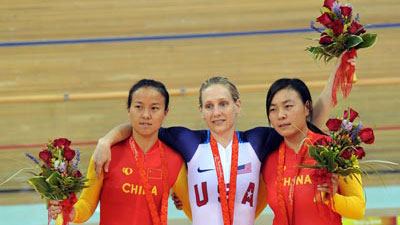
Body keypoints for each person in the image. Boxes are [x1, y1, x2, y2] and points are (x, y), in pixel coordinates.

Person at [92, 63, 344, 225]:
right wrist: (106, 140)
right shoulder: (188, 141)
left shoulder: (257, 141)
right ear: (201, 111)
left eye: (223, 104)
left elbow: (304, 124)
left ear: (237, 105)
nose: (217, 112)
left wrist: (337, 71)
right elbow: (143, 126)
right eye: (209, 106)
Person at [48, 79, 190, 225]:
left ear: (165, 112)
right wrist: (72, 213)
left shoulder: (174, 161)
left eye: (154, 108)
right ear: (129, 110)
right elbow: (87, 204)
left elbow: (195, 211)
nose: (146, 115)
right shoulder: (105, 154)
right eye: (138, 107)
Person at [262, 78, 365, 225]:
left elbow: (358, 209)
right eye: (273, 109)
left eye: (288, 106)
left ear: (307, 107)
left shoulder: (335, 150)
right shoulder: (269, 161)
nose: (280, 115)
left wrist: (332, 198)